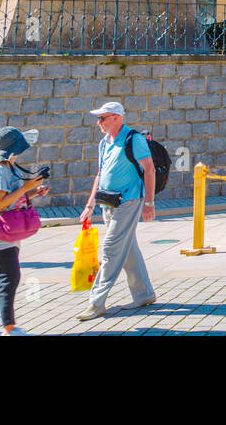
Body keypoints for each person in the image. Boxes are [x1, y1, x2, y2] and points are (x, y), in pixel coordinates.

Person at [77, 101, 157, 321]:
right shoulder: (104, 143)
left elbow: (149, 169)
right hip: (107, 202)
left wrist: (149, 203)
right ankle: (144, 294)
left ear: (117, 118)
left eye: (102, 118)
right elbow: (100, 174)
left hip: (129, 201)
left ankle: (96, 303)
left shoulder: (134, 139)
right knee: (128, 247)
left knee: (110, 250)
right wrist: (90, 204)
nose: (98, 123)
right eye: (99, 118)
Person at [0, 127, 48, 336]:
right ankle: (9, 328)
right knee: (10, 278)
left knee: (1, 279)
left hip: (7, 232)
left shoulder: (8, 168)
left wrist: (33, 190)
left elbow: (11, 197)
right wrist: (24, 188)